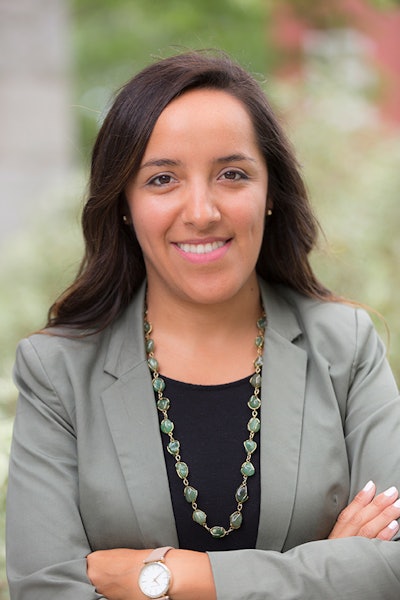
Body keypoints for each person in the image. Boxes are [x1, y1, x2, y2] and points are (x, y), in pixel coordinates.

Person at [6, 50, 400, 600]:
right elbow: (46, 589)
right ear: (124, 203)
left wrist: (167, 579)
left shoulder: (347, 348)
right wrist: (327, 570)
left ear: (270, 194)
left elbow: (392, 569)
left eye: (232, 174)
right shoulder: (58, 373)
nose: (201, 211)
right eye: (163, 178)